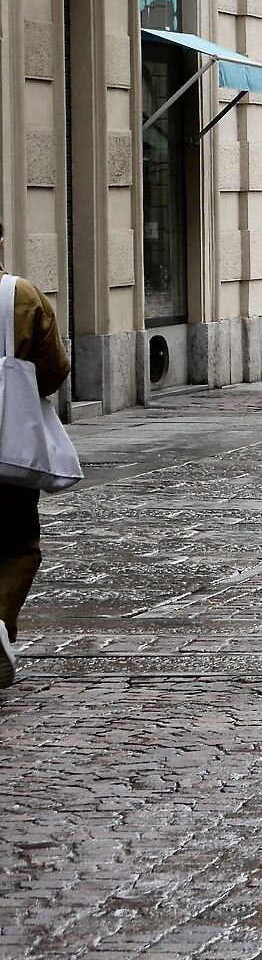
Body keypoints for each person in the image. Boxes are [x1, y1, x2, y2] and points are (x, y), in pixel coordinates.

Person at [0, 218, 71, 688]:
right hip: (7, 446)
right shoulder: (19, 296)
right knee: (16, 542)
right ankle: (0, 624)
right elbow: (55, 366)